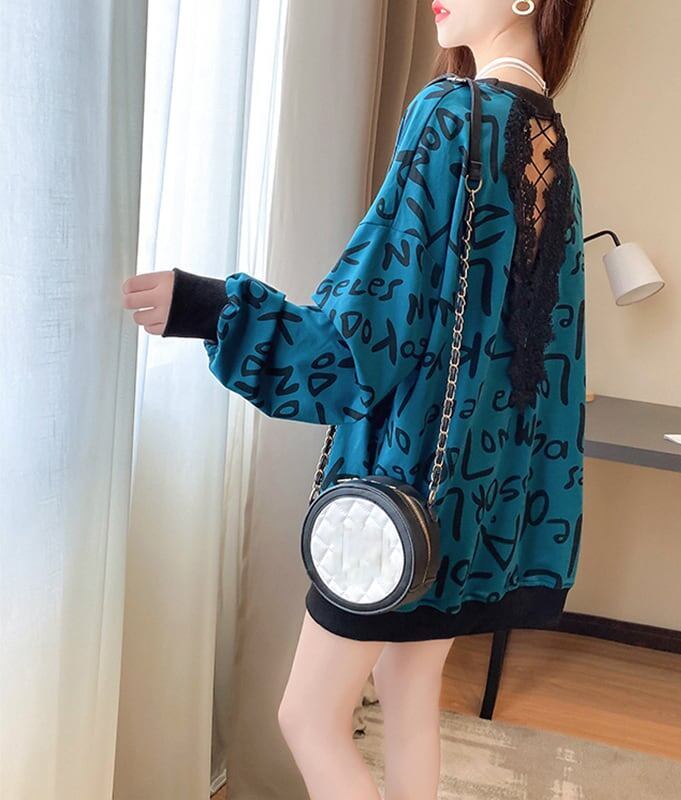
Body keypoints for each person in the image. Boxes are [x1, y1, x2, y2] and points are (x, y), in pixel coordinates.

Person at [122, 0, 594, 797]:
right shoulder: (552, 144)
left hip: (398, 500)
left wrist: (211, 309)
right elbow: (546, 375)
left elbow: (359, 343)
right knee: (408, 693)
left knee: (308, 718)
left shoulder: (450, 115)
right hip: (480, 505)